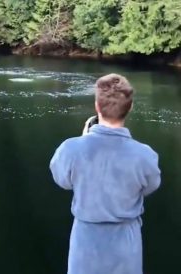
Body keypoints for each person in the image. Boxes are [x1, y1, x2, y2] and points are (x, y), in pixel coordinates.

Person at [49, 74, 161, 274]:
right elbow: (150, 186)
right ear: (130, 107)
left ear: (97, 106)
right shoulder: (145, 155)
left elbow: (63, 180)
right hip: (127, 245)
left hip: (85, 244)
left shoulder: (70, 149)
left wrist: (84, 139)